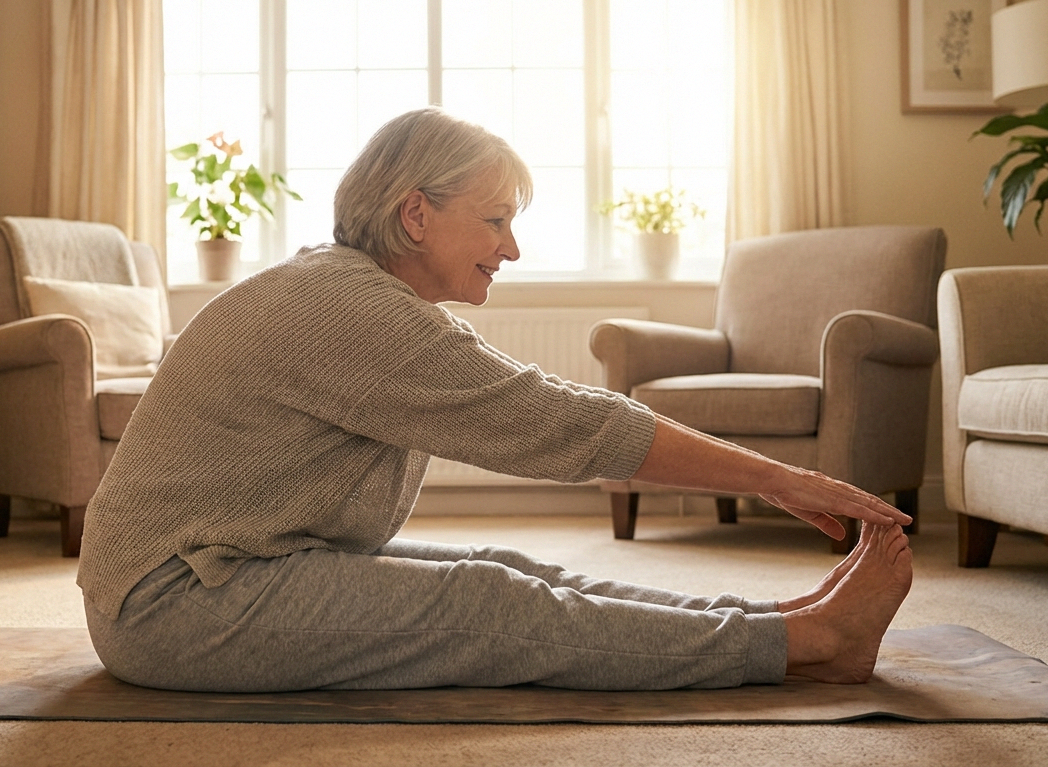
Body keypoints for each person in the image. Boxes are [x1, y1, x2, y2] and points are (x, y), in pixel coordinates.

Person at [76, 107, 913, 693]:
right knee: (487, 606)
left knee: (507, 569)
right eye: (495, 221)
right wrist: (781, 480)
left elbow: (546, 409)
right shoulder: (348, 309)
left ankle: (773, 621)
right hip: (172, 604)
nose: (511, 248)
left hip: (230, 568)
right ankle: (806, 644)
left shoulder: (358, 295)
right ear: (415, 215)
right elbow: (561, 423)